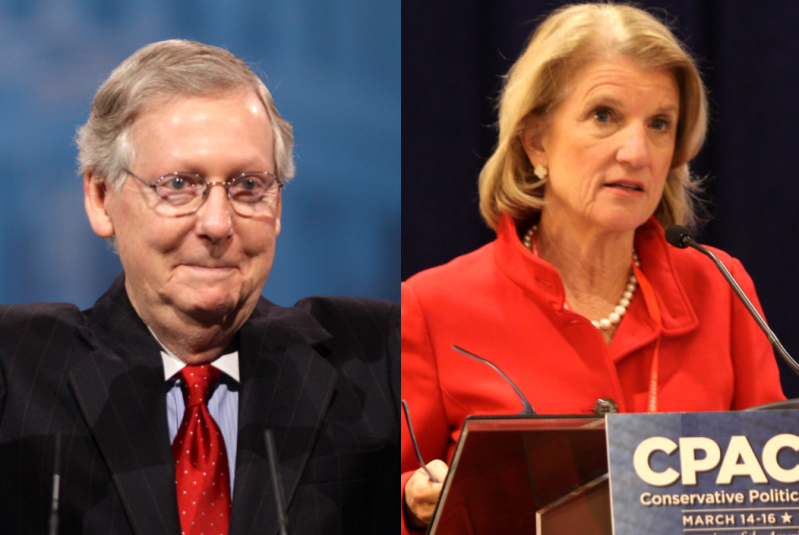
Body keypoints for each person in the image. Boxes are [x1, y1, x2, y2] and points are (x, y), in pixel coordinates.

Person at [400, 3, 785, 532]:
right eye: (604, 115)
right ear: (536, 140)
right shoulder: (432, 306)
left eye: (659, 124)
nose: (636, 151)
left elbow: (776, 490)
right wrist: (413, 501)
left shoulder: (720, 286)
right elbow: (384, 490)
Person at [0, 40, 398, 535]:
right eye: (179, 185)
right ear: (102, 199)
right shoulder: (16, 368)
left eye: (248, 186)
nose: (216, 222)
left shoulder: (373, 354)